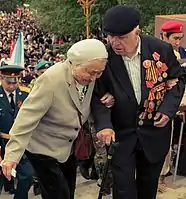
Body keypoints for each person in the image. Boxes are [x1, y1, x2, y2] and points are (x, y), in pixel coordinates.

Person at [91, 5, 185, 199]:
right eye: (111, 36)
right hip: (121, 135)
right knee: (123, 189)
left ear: (137, 32)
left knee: (148, 188)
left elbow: (177, 81)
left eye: (122, 37)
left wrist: (167, 110)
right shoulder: (105, 58)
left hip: (154, 132)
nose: (115, 42)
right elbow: (97, 96)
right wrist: (104, 125)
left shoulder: (161, 50)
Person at [1, 38, 108, 199]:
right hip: (42, 148)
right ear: (74, 64)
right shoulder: (51, 80)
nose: (94, 77)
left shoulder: (89, 73)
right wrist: (11, 157)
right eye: (90, 72)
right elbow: (25, 119)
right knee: (58, 194)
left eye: (99, 72)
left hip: (67, 147)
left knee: (68, 193)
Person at [0, 64, 34, 199]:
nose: (12, 86)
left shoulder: (25, 95)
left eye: (15, 82)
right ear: (2, 79)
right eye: (8, 82)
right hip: (2, 142)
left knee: (28, 175)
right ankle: (8, 185)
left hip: (21, 142)